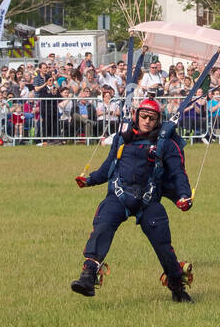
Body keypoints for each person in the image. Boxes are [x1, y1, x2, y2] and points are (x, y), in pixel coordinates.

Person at [71, 99, 195, 302]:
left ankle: (176, 285)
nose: (147, 121)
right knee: (102, 226)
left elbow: (178, 173)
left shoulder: (166, 143)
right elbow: (108, 167)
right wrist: (89, 180)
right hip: (118, 196)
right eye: (144, 117)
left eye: (152, 118)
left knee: (163, 244)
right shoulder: (123, 138)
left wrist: (184, 196)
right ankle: (88, 275)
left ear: (158, 121)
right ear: (136, 116)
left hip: (149, 201)